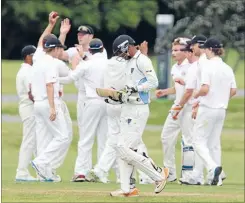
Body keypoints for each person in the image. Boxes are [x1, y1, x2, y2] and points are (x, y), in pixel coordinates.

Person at [86, 41, 154, 185]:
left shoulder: (108, 63)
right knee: (132, 141)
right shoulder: (126, 64)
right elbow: (139, 72)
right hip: (125, 103)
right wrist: (143, 53)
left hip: (111, 104)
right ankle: (147, 173)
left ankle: (102, 170)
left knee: (116, 140)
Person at [109, 35, 169, 197]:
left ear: (128, 46)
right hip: (128, 107)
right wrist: (117, 95)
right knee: (122, 148)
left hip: (139, 109)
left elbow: (153, 82)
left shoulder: (142, 60)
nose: (122, 56)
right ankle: (126, 189)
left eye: (123, 52)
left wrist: (135, 88)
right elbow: (127, 87)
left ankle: (157, 174)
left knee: (123, 148)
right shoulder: (128, 61)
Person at [59, 25, 110, 182]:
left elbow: (71, 77)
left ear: (91, 37)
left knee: (87, 137)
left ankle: (81, 172)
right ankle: (100, 173)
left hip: (90, 99)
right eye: (79, 33)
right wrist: (62, 34)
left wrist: (52, 80)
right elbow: (58, 53)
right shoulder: (102, 57)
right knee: (102, 137)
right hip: (103, 100)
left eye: (84, 34)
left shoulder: (88, 60)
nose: (80, 36)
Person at [32, 12, 72, 180]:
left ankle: (44, 174)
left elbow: (42, 40)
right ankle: (41, 162)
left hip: (37, 104)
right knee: (63, 136)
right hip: (49, 102)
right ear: (55, 49)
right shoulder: (51, 63)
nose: (60, 51)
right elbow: (50, 85)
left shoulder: (38, 57)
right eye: (59, 49)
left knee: (44, 138)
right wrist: (53, 107)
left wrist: (51, 25)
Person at [192, 38, 236, 186]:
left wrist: (196, 94)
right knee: (213, 144)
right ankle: (214, 179)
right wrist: (222, 98)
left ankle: (213, 168)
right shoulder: (227, 68)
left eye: (205, 48)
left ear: (210, 49)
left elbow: (205, 89)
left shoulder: (208, 66)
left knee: (197, 141)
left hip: (207, 108)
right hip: (221, 109)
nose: (203, 50)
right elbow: (233, 90)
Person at [155, 37, 190, 182]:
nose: (173, 53)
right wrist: (164, 92)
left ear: (186, 51)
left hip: (187, 107)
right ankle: (170, 173)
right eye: (173, 50)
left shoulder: (192, 66)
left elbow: (191, 89)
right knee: (166, 137)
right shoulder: (175, 67)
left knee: (188, 141)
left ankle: (190, 174)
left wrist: (180, 106)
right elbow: (178, 88)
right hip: (176, 107)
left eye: (177, 50)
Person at [15, 45, 37, 182]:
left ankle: (40, 170)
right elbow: (32, 93)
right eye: (34, 55)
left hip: (27, 107)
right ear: (28, 56)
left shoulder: (25, 70)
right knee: (29, 140)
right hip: (29, 107)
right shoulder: (27, 71)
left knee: (34, 141)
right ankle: (21, 172)